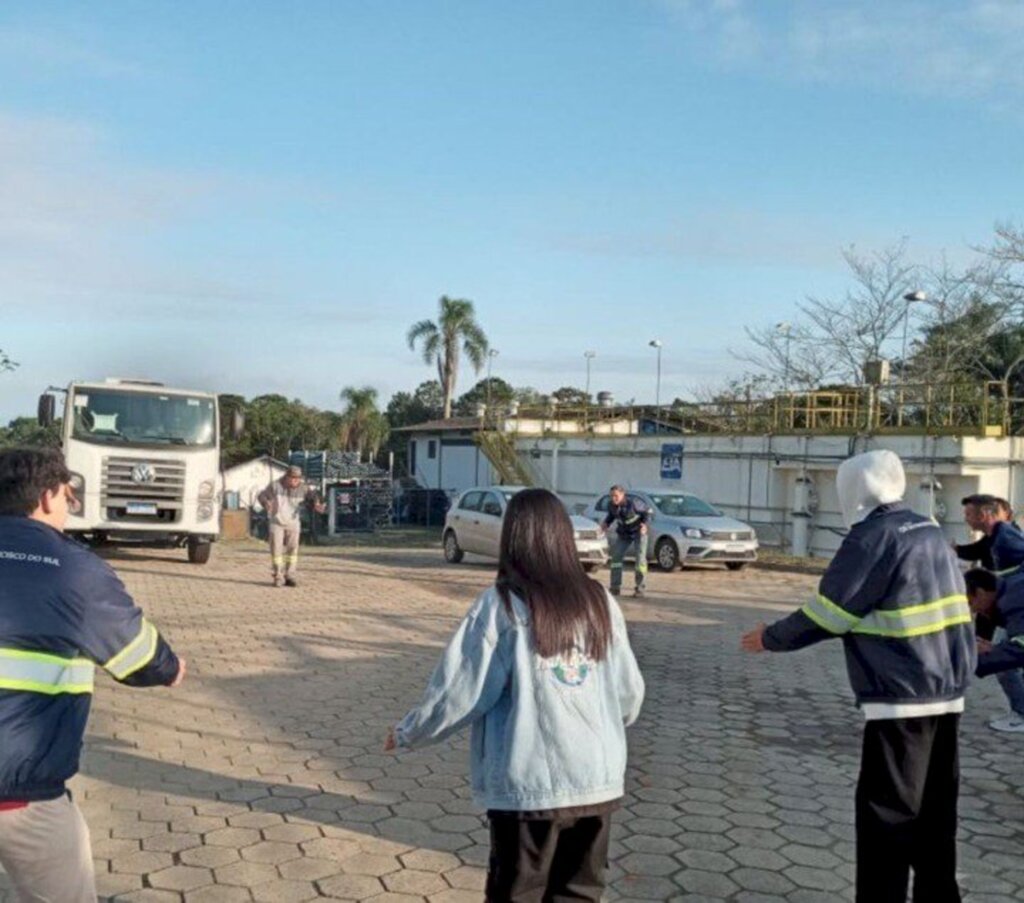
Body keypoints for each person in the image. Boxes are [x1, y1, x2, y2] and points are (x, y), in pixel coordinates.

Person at [385, 488, 645, 902]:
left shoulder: (501, 606)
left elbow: (460, 691)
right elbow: (628, 694)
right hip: (598, 783)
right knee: (580, 893)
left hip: (529, 788)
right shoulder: (601, 603)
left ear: (514, 538)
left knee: (517, 893)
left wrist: (410, 732)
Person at [741, 450, 973, 903]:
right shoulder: (928, 529)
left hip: (900, 696)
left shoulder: (871, 539)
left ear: (855, 490)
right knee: (934, 813)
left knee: (887, 814)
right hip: (946, 690)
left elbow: (829, 613)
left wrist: (770, 637)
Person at [0, 448, 185, 902]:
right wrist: (172, 668)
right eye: (67, 496)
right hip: (22, 795)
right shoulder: (75, 569)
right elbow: (139, 657)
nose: (70, 507)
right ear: (46, 497)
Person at [964, 568, 1024, 733]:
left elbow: (1020, 650)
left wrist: (978, 657)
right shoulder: (1007, 588)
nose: (972, 611)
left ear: (981, 593)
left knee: (1006, 664)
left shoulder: (1013, 601)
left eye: (970, 603)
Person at [257, 465, 326, 587]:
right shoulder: (275, 485)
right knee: (276, 551)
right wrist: (266, 503)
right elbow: (261, 495)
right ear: (286, 476)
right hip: (276, 521)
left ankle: (290, 575)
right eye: (293, 478)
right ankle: (278, 576)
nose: (296, 480)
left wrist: (317, 503)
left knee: (293, 550)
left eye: (298, 478)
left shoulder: (303, 488)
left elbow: (313, 496)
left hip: (293, 522)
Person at [599, 485, 650, 597]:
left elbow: (647, 513)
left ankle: (640, 589)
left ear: (623, 495)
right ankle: (615, 587)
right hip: (624, 533)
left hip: (638, 532)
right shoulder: (611, 505)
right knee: (616, 557)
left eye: (616, 496)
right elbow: (611, 516)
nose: (613, 498)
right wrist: (605, 524)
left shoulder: (634, 503)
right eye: (611, 496)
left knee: (640, 559)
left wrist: (645, 525)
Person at [954, 495, 1012, 571]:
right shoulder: (990, 537)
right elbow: (976, 550)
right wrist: (954, 549)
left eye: (968, 514)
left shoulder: (1005, 539)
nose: (965, 519)